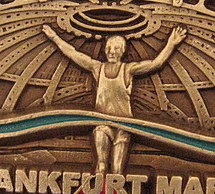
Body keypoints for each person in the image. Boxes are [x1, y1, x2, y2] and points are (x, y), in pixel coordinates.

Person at [43, 25, 187, 175]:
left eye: (116, 48)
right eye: (109, 48)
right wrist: (54, 37)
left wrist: (171, 44)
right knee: (101, 166)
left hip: (123, 126)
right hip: (102, 124)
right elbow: (73, 53)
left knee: (118, 171)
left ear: (122, 51)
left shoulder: (128, 70)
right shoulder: (97, 68)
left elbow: (155, 63)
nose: (112, 51)